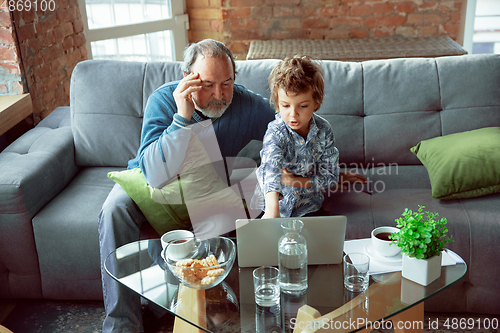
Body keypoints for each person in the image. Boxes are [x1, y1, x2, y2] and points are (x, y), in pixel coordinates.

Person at [98, 39, 275, 332]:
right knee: (114, 208)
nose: (219, 95)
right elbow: (154, 172)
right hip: (149, 183)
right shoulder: (163, 100)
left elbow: (293, 123)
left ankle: (196, 309)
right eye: (207, 84)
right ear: (188, 79)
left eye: (227, 83)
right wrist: (181, 118)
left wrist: (329, 165)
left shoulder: (246, 104)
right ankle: (122, 325)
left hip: (203, 189)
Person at [252, 55, 339, 218]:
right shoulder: (275, 132)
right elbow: (270, 167)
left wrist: (295, 181)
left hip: (309, 207)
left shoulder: (324, 130)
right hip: (273, 206)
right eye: (285, 105)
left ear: (317, 102)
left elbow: (331, 176)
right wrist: (272, 210)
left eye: (303, 106)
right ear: (277, 104)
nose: (293, 114)